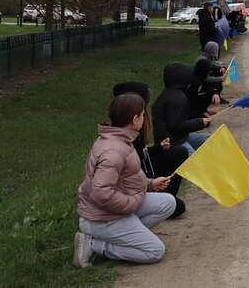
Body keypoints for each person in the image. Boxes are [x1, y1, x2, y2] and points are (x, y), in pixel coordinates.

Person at [73, 93, 176, 268]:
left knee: (168, 202)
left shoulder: (121, 139)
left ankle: (127, 236)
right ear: (134, 119)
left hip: (116, 209)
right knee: (155, 251)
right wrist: (130, 204)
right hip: (103, 218)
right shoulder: (113, 150)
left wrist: (150, 183)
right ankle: (94, 245)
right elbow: (100, 192)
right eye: (143, 115)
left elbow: (128, 176)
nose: (144, 119)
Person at [112, 82, 188, 218]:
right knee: (175, 206)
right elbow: (109, 186)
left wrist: (158, 148)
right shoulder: (119, 141)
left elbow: (141, 155)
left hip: (143, 177)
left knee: (180, 152)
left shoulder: (135, 129)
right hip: (130, 193)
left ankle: (164, 197)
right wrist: (148, 185)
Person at [151, 63, 212, 156]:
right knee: (195, 163)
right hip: (173, 142)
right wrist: (199, 122)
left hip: (180, 137)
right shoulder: (178, 98)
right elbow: (176, 126)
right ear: (183, 79)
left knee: (210, 139)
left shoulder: (169, 93)